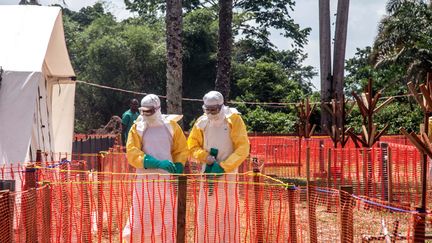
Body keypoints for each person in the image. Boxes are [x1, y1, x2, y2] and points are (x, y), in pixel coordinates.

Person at [122, 94, 188, 243]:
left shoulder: (171, 126)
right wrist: (155, 163)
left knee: (166, 217)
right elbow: (132, 152)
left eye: (149, 111)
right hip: (144, 181)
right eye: (143, 111)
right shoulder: (137, 127)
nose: (146, 114)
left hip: (166, 180)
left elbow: (181, 149)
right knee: (141, 216)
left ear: (157, 109)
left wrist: (178, 164)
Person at [188, 90, 250, 243]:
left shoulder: (233, 119)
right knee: (206, 211)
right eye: (207, 109)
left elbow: (243, 148)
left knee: (227, 211)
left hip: (228, 175)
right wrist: (205, 157)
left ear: (221, 106)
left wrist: (223, 166)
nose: (210, 113)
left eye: (213, 109)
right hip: (207, 173)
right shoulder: (202, 122)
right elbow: (192, 145)